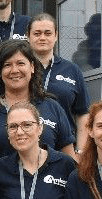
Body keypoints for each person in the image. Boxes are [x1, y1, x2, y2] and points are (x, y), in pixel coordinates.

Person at [0, 39, 75, 161]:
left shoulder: (52, 108)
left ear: (32, 67)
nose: (14, 70)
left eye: (20, 63)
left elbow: (68, 159)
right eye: (7, 65)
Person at [28, 13, 90, 151]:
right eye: (37, 33)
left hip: (65, 149)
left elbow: (83, 113)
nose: (42, 38)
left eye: (48, 33)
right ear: (28, 36)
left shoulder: (72, 70)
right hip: (25, 147)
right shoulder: (20, 69)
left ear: (56, 36)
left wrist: (81, 151)